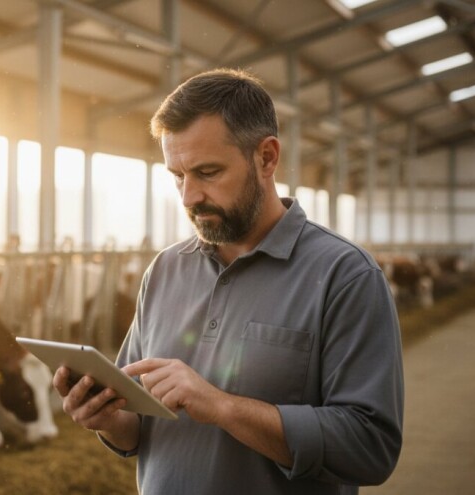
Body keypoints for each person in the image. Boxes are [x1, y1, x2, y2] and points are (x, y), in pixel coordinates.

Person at [52, 68, 404, 494]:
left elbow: (371, 448)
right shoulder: (164, 271)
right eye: (177, 176)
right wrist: (107, 419)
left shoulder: (345, 276)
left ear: (267, 158)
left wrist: (220, 406)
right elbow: (138, 430)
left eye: (208, 172)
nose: (188, 197)